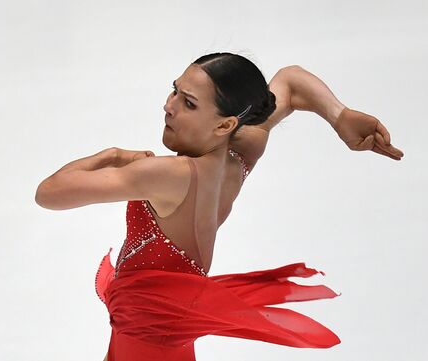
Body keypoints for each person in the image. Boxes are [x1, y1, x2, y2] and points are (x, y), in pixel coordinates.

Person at [35, 52, 404, 361]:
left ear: (225, 123)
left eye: (189, 103)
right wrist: (339, 116)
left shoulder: (167, 175)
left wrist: (113, 155)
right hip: (164, 339)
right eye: (175, 91)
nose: (169, 106)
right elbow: (289, 83)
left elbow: (49, 193)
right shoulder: (238, 157)